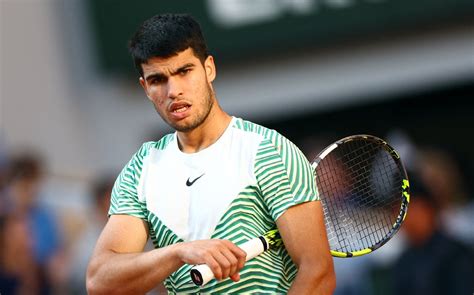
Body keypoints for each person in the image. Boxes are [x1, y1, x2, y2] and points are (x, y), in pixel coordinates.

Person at [86, 13, 335, 294]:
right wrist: (179, 253)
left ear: (209, 69)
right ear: (145, 87)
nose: (173, 91)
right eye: (158, 79)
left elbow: (318, 274)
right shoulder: (141, 170)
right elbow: (101, 283)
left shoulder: (267, 151)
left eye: (184, 71)